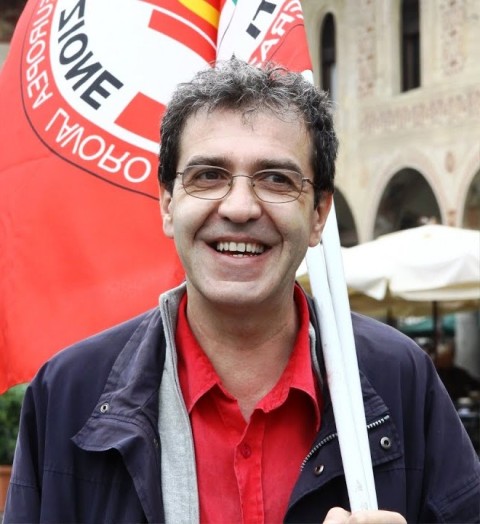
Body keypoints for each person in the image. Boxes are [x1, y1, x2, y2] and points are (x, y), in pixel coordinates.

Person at [4, 58, 479, 524]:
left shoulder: (399, 379)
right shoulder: (68, 394)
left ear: (318, 214)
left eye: (276, 179)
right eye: (208, 175)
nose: (239, 207)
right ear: (168, 203)